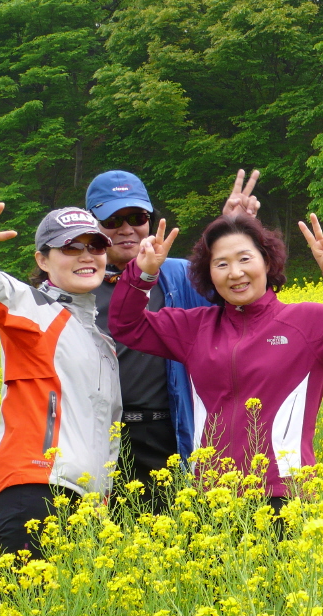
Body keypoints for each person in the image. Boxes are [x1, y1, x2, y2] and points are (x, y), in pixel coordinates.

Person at [108, 212, 323, 513]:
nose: (234, 273)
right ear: (209, 275)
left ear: (267, 263)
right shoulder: (195, 328)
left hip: (284, 494)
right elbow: (126, 326)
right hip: (211, 497)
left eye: (245, 259)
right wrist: (142, 275)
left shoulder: (307, 324)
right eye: (221, 264)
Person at [0, 203, 121, 558]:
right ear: (43, 260)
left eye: (96, 246)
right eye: (71, 247)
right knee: (24, 611)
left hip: (89, 506)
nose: (86, 255)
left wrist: (103, 503)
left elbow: (107, 429)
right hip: (34, 490)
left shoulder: (103, 343)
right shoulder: (32, 308)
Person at [86, 169, 260, 512]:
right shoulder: (79, 281)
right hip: (97, 437)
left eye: (137, 217)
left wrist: (233, 229)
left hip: (168, 433)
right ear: (93, 222)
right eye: (112, 219)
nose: (126, 229)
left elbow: (241, 294)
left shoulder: (177, 275)